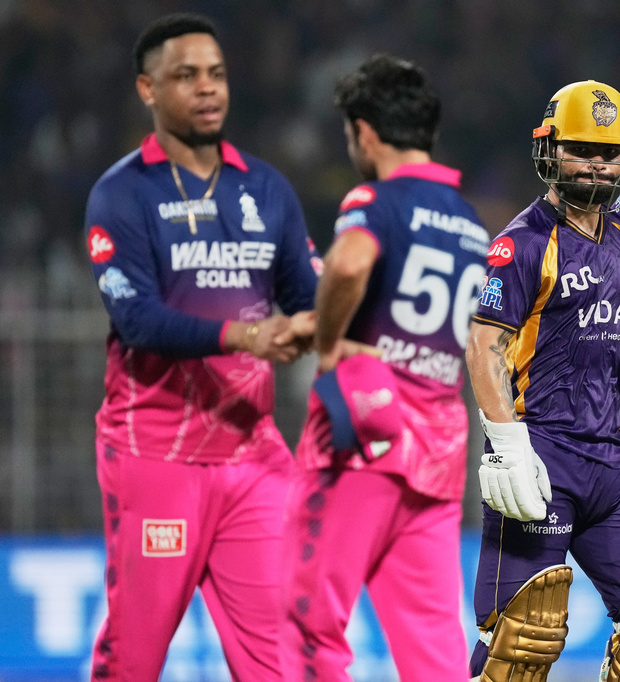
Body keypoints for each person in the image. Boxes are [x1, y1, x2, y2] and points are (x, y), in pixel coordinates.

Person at [83, 13, 321, 681]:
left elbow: (305, 296)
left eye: (215, 74)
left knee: (282, 656)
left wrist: (324, 315)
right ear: (147, 90)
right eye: (186, 76)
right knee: (135, 658)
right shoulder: (121, 193)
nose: (207, 88)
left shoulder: (265, 188)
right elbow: (136, 320)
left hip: (253, 452)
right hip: (155, 451)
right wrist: (244, 335)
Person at [466, 80, 620, 682]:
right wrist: (508, 444)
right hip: (543, 461)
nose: (597, 164)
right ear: (550, 150)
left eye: (609, 152)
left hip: (615, 468)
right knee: (519, 642)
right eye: (581, 150)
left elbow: (613, 329)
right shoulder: (519, 245)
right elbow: (483, 345)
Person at [278, 54, 490, 682]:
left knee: (305, 621)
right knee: (432, 644)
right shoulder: (471, 224)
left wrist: (330, 342)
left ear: (365, 131)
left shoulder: (376, 198)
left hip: (362, 439)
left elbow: (347, 265)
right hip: (438, 451)